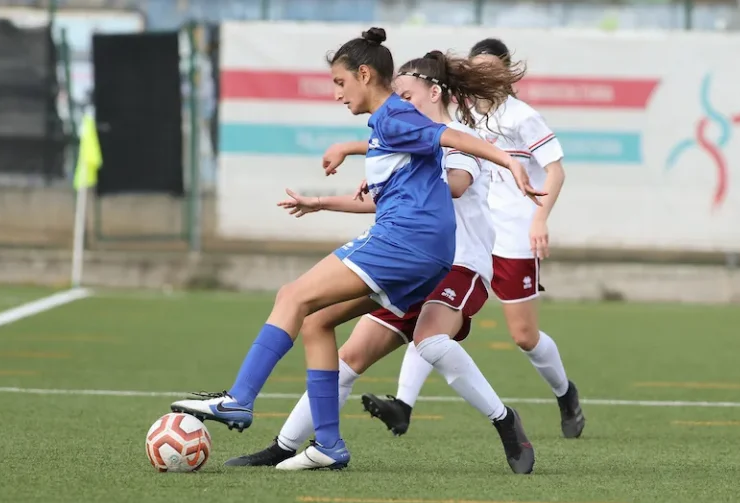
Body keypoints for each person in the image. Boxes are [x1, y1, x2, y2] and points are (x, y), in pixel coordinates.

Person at [170, 28, 543, 470]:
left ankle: (239, 398)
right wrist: (326, 191)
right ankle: (325, 444)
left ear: (365, 75)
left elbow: (454, 145)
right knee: (317, 322)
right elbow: (404, 165)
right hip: (422, 252)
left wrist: (508, 164)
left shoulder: (395, 117)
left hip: (413, 247)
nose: (336, 94)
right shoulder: (391, 129)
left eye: (340, 83)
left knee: (293, 296)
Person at [362, 38, 585, 441]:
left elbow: (556, 171)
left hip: (514, 232)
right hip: (467, 236)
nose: (484, 74)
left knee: (524, 336)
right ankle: (404, 405)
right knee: (432, 318)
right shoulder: (458, 115)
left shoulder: (522, 116)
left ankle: (565, 393)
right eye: (476, 67)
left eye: (491, 68)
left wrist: (540, 219)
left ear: (505, 71)